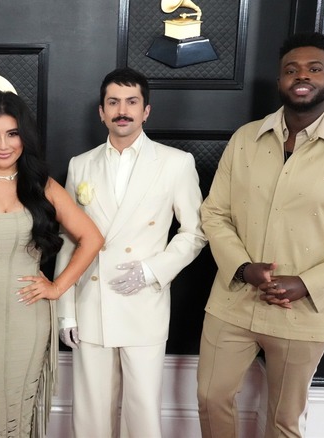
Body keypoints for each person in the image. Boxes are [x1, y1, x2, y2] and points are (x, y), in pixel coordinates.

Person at [197, 32, 324, 438]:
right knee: (209, 397)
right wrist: (242, 267)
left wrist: (305, 283)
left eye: (314, 68)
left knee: (283, 421)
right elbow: (214, 213)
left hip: (305, 313)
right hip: (234, 301)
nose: (302, 76)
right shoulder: (245, 140)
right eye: (291, 70)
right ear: (279, 81)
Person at [0, 91, 104, 437]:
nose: (2, 145)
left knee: (19, 410)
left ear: (24, 136)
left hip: (29, 316)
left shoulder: (43, 186)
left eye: (12, 134)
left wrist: (56, 288)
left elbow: (92, 238)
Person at [55, 67, 207, 437]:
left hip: (144, 302)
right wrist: (65, 312)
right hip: (91, 302)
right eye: (113, 102)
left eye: (131, 102)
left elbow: (195, 231)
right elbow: (68, 241)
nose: (122, 110)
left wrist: (153, 271)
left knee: (142, 412)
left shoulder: (176, 163)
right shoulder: (81, 164)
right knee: (91, 413)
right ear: (102, 112)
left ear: (146, 110)